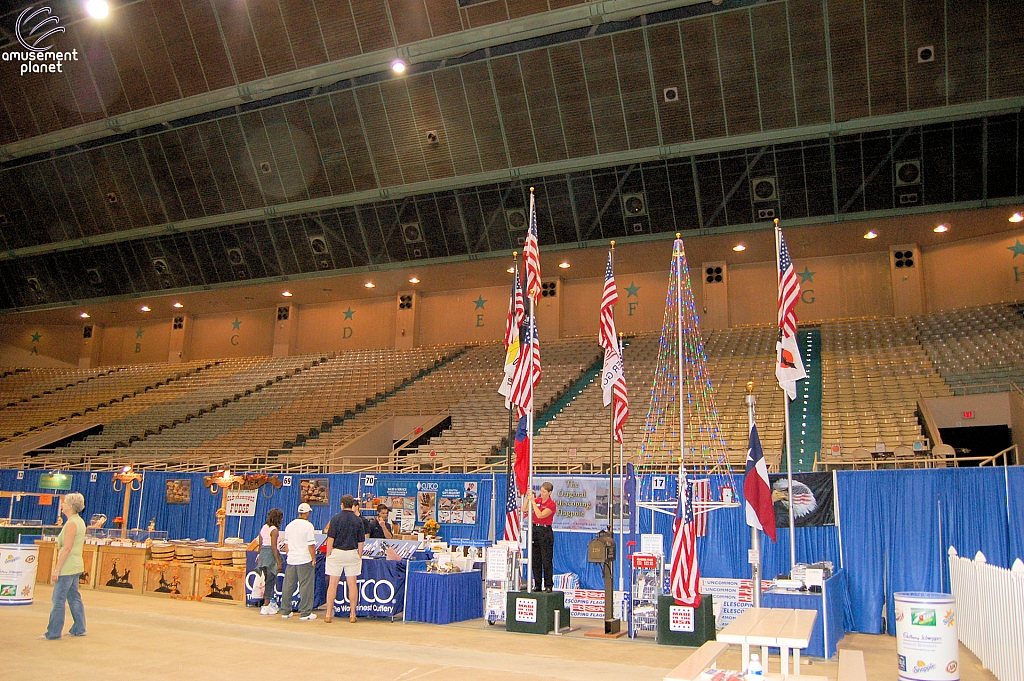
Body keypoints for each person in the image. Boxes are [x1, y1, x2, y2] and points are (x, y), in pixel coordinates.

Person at [41, 492, 87, 640]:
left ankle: (53, 632)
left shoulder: (72, 523)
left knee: (58, 600)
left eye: (64, 503)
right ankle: (79, 628)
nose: (62, 505)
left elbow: (66, 548)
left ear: (70, 506)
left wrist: (57, 569)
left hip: (68, 566)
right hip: (76, 565)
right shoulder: (79, 521)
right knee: (74, 597)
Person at [324, 495, 365, 623]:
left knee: (333, 584)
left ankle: (328, 614)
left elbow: (330, 538)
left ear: (342, 504)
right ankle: (352, 614)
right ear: (352, 505)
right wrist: (359, 554)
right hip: (352, 553)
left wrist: (328, 554)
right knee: (352, 584)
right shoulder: (358, 520)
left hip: (337, 552)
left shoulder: (335, 518)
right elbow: (361, 541)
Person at [280, 503, 317, 621]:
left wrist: (290, 555)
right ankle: (305, 613)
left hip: (292, 559)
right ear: (307, 513)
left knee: (288, 586)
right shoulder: (308, 526)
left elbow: (286, 545)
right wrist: (313, 558)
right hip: (304, 559)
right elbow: (311, 545)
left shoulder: (289, 526)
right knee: (305, 586)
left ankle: (285, 610)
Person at [527, 481, 557, 592]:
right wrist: (528, 498)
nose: (542, 493)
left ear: (549, 492)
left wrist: (533, 503)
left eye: (544, 492)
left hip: (545, 531)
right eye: (541, 491)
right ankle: (538, 584)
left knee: (546, 560)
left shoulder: (551, 504)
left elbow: (540, 515)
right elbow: (525, 509)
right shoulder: (538, 500)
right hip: (535, 529)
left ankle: (548, 585)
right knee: (536, 559)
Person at [255, 508, 284, 615]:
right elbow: (273, 547)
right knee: (270, 581)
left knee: (267, 579)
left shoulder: (264, 528)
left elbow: (260, 542)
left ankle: (267, 603)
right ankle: (266, 605)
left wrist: (259, 555)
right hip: (270, 556)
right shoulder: (274, 530)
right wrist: (278, 562)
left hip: (263, 554)